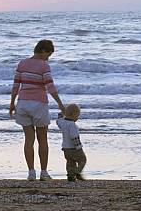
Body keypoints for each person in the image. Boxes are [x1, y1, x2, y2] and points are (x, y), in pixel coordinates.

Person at [10, 39, 65, 181]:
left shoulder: (22, 63)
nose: (48, 58)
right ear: (43, 51)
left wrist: (12, 103)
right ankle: (44, 172)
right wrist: (60, 104)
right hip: (39, 104)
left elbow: (16, 85)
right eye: (48, 55)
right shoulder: (44, 66)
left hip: (22, 103)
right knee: (42, 139)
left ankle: (31, 172)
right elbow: (50, 87)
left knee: (29, 139)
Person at [56, 103, 87, 182]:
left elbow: (58, 121)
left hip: (65, 148)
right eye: (77, 116)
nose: (78, 117)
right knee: (82, 159)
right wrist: (79, 146)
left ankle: (70, 175)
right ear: (74, 115)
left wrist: (61, 113)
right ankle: (77, 172)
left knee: (70, 162)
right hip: (74, 148)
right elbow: (73, 136)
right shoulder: (72, 125)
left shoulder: (62, 123)